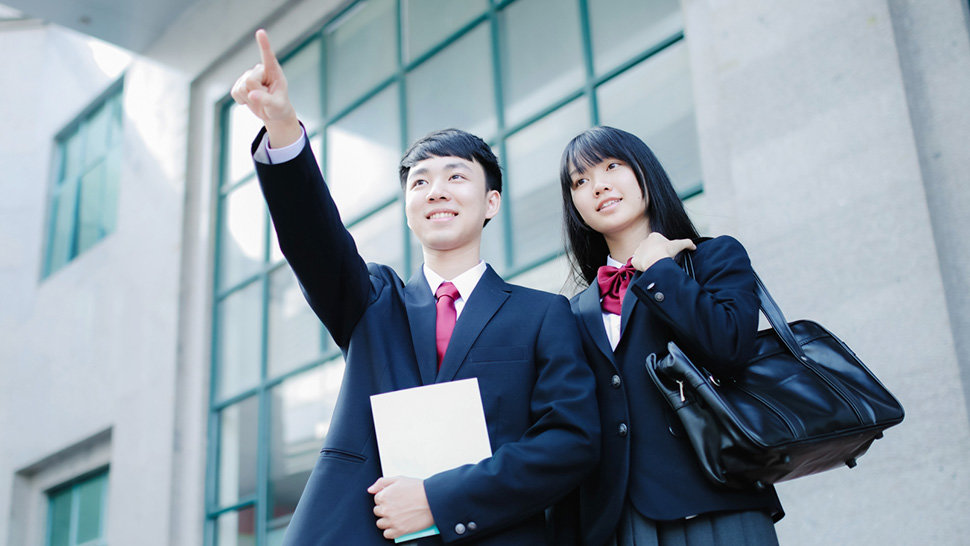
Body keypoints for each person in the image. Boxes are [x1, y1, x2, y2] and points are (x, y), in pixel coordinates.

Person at [230, 30, 599, 545]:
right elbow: (313, 238)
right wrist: (282, 126)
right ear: (407, 207)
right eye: (420, 181)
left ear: (491, 202)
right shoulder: (373, 302)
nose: (436, 192)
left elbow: (570, 442)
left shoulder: (543, 315)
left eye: (455, 177)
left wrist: (439, 499)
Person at [554, 126, 783, 546]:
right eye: (580, 181)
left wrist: (660, 271)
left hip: (715, 498)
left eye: (611, 166)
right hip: (620, 520)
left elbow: (730, 349)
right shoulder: (571, 311)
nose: (597, 185)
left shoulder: (714, 257)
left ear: (645, 172)